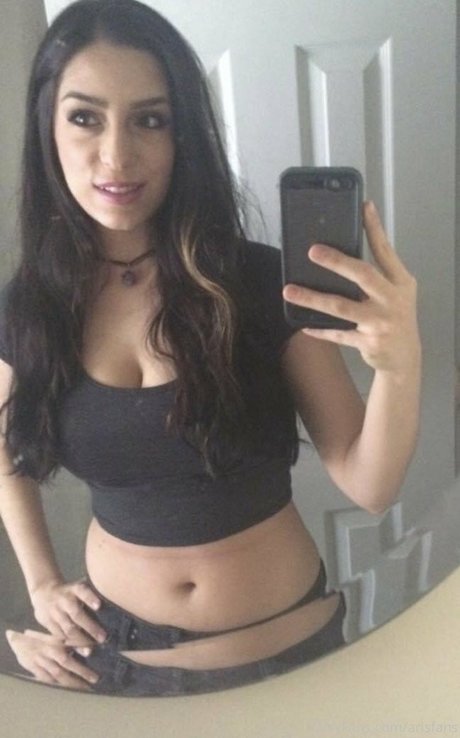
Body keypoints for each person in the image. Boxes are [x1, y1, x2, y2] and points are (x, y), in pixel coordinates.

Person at [0, 0, 421, 696]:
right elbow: (6, 447)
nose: (116, 155)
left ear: (183, 136)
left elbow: (369, 485)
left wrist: (400, 365)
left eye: (150, 120)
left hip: (289, 658)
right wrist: (41, 582)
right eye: (85, 118)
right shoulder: (30, 307)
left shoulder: (259, 284)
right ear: (47, 127)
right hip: (120, 667)